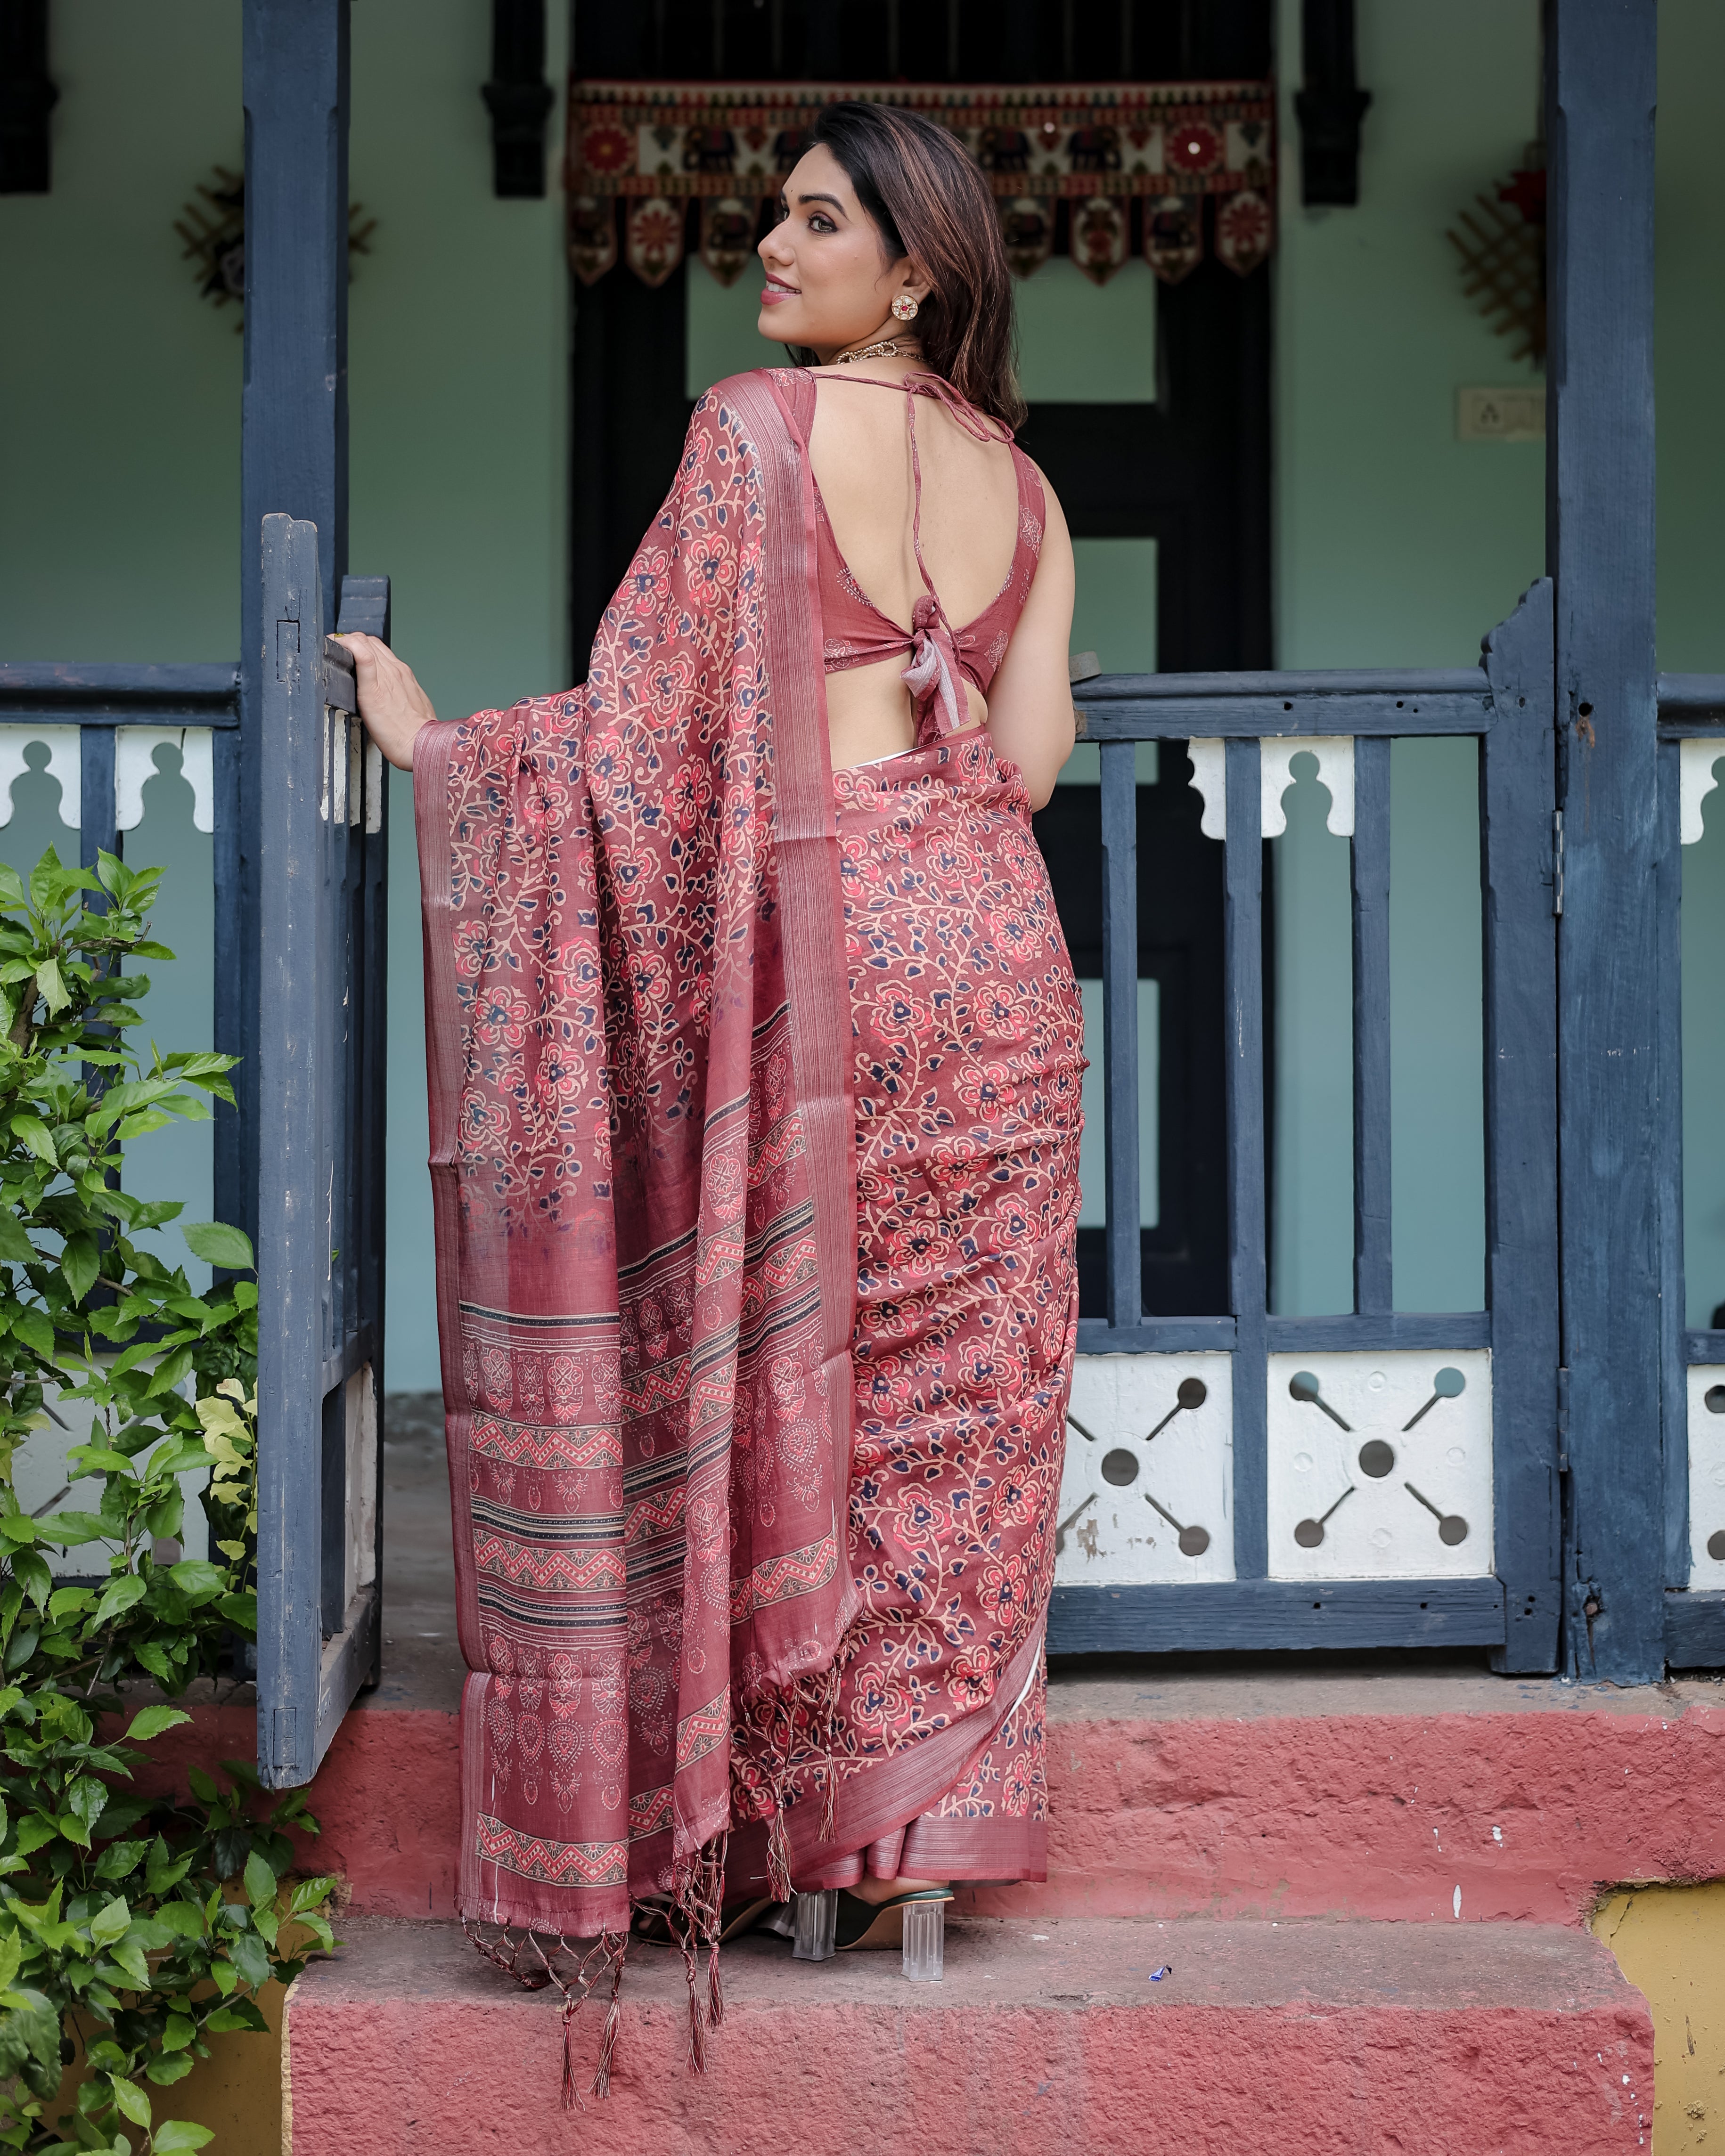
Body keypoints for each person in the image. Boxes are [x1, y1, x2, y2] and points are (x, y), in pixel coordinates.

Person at [345, 99, 1084, 2083]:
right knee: (956, 1405)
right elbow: (1031, 755)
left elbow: (641, 747)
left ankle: (776, 1834)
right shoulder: (1022, 490)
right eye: (774, 213)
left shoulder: (754, 440)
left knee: (794, 1369)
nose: (770, 244)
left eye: (815, 219)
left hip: (829, 969)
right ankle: (909, 1855)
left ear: (910, 267)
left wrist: (442, 752)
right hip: (1002, 969)